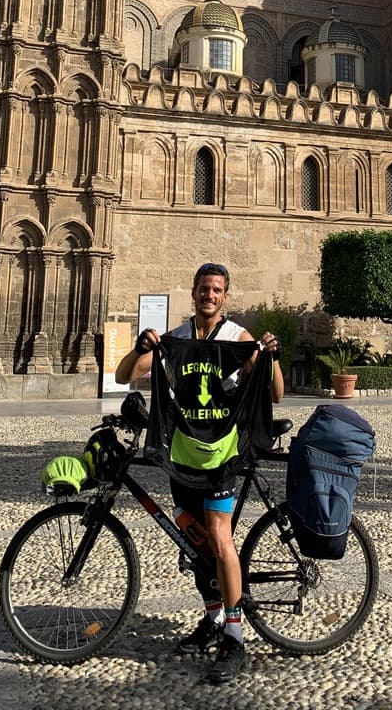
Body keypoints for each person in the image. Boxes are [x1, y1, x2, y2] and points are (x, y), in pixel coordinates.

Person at [115, 263, 283, 682]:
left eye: (217, 289)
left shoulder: (237, 338)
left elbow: (275, 392)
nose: (209, 294)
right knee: (193, 537)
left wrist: (270, 358)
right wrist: (141, 348)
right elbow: (123, 376)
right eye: (204, 288)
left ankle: (235, 633)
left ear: (224, 297)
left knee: (219, 534)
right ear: (194, 292)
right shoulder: (176, 339)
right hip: (184, 452)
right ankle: (211, 618)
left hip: (222, 453)